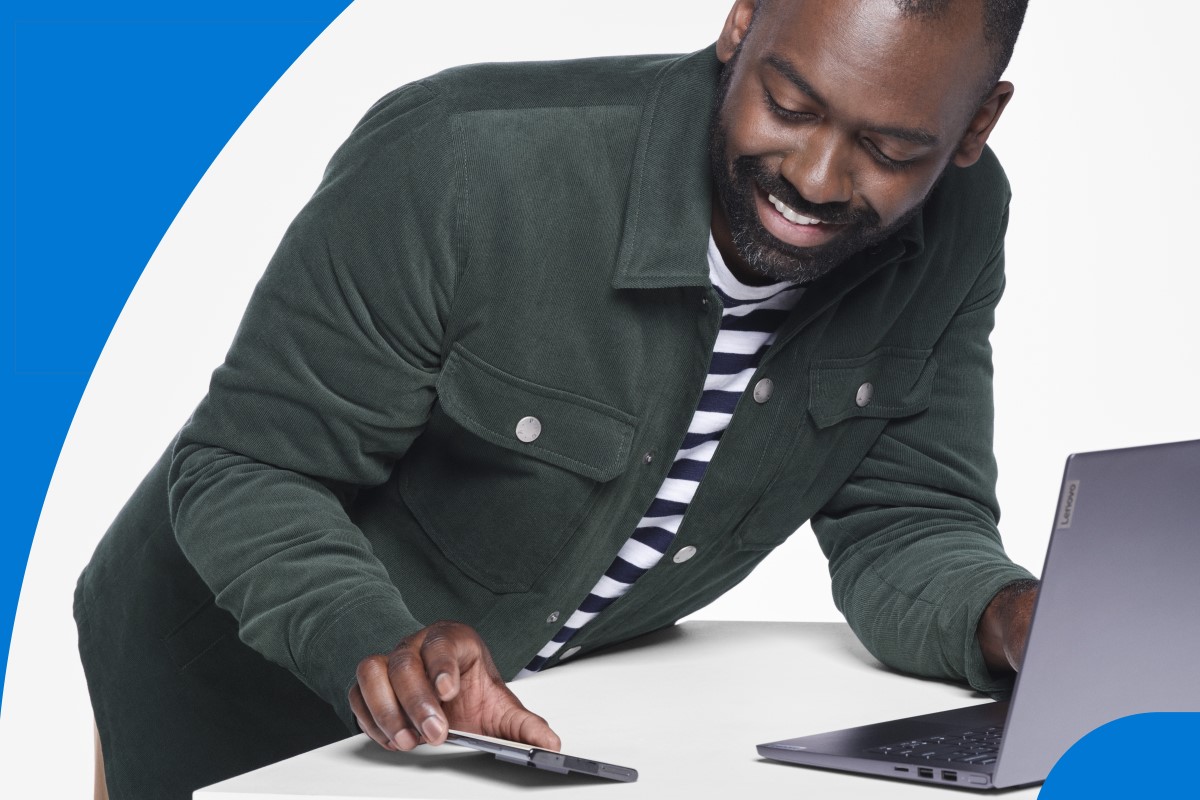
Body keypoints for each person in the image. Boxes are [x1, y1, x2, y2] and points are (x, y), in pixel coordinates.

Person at [74, 0, 1039, 797]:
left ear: (975, 127)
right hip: (227, 695)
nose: (815, 177)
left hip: (493, 742)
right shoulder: (461, 163)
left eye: (890, 148)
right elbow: (247, 465)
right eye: (789, 106)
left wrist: (1006, 617)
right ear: (742, 22)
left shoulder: (962, 223)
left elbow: (904, 517)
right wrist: (383, 644)